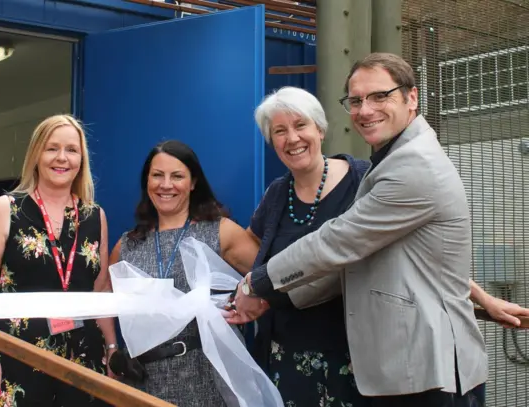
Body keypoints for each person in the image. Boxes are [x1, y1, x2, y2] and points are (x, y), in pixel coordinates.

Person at [227, 53, 529, 406]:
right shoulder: (286, 191)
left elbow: (337, 243)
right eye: (356, 101)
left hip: (413, 364)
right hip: (366, 362)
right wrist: (267, 297)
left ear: (411, 97)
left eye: (380, 96)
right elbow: (384, 257)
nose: (366, 110)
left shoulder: (405, 168)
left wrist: (256, 282)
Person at [0, 114, 117, 407]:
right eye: (52, 148)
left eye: (71, 150)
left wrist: (112, 350)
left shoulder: (94, 216)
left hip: (84, 360)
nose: (61, 158)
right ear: (36, 154)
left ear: (81, 159)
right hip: (16, 357)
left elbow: (100, 292)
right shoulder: (5, 209)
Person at [245, 86, 372, 407]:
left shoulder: (363, 181)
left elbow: (404, 248)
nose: (292, 138)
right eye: (280, 131)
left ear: (320, 128)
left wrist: (478, 296)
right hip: (284, 354)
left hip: (354, 355)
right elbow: (254, 249)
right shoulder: (276, 193)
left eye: (300, 125)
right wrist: (249, 291)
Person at [108, 140, 259, 406]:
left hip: (206, 378)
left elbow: (267, 279)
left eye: (177, 176)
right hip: (142, 381)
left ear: (193, 182)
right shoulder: (127, 245)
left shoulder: (220, 232)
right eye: (157, 175)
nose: (166, 185)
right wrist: (114, 350)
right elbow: (103, 303)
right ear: (147, 182)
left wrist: (248, 302)